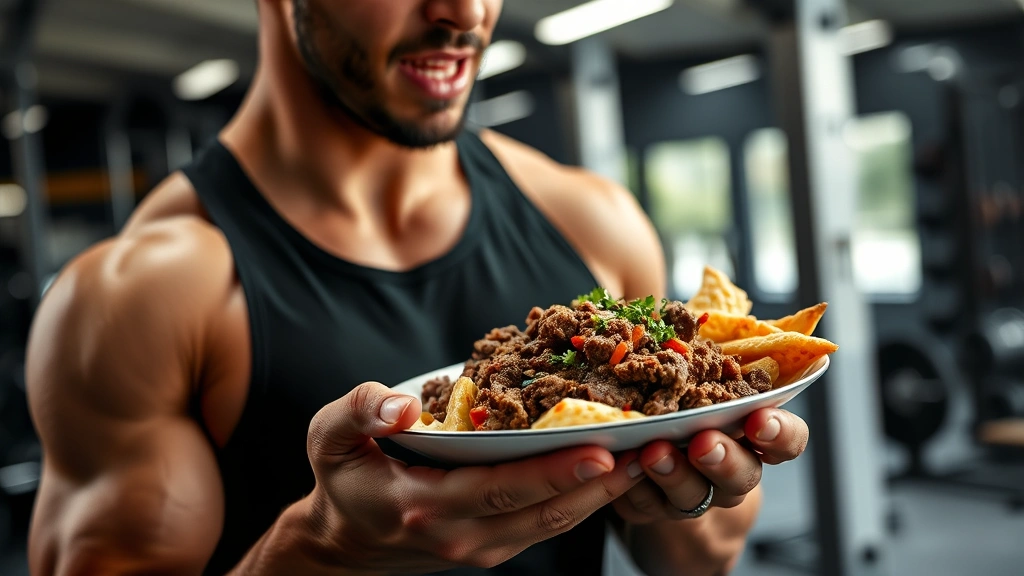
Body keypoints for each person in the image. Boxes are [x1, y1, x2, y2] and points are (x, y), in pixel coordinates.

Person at [25, 1, 810, 575]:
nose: (464, 13)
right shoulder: (137, 295)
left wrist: (693, 486)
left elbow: (693, 560)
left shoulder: (593, 220)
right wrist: (322, 551)